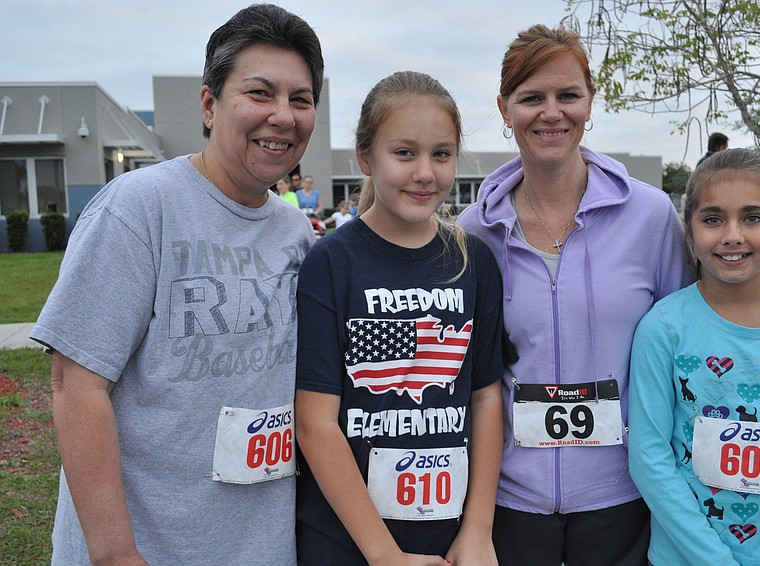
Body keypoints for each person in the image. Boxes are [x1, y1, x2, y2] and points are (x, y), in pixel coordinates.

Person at [30, 5, 323, 564]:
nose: (282, 116)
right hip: (149, 548)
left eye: (300, 99)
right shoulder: (139, 209)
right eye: (260, 93)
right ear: (210, 104)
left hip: (258, 546)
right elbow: (77, 386)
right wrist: (116, 554)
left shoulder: (295, 231)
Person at [456, 24, 693, 566]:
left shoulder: (651, 216)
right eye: (531, 98)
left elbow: (686, 351)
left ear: (590, 102)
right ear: (504, 107)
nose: (551, 112)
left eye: (568, 95)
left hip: (625, 493)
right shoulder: (473, 231)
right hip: (510, 499)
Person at [295, 70, 504, 565]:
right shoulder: (330, 263)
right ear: (366, 157)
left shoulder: (474, 262)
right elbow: (315, 423)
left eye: (441, 154)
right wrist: (385, 556)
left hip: (451, 538)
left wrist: (478, 529)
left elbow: (486, 397)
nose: (425, 172)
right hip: (347, 542)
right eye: (404, 153)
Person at [629, 148, 760, 565]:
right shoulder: (663, 328)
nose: (732, 234)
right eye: (712, 219)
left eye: (753, 217)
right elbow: (649, 457)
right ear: (689, 232)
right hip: (684, 556)